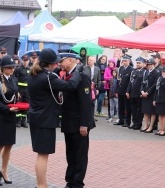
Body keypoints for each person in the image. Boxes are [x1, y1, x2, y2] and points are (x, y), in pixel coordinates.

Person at [27, 49, 82, 188]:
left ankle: (42, 183)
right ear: (51, 63)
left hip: (37, 118)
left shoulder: (34, 75)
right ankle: (41, 185)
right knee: (43, 155)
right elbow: (70, 86)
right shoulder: (48, 78)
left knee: (42, 153)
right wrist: (78, 72)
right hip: (45, 120)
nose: (58, 64)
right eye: (56, 62)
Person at [59, 52, 95, 188]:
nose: (60, 63)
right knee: (70, 154)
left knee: (79, 155)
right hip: (68, 122)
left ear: (70, 60)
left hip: (79, 123)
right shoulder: (67, 76)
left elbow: (85, 103)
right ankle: (70, 180)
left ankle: (77, 182)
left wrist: (84, 124)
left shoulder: (82, 77)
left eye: (62, 61)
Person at [0, 55, 19, 186]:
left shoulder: (14, 79)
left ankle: (4, 171)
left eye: (13, 67)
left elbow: (14, 97)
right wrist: (8, 109)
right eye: (9, 68)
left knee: (9, 145)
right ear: (3, 68)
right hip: (1, 116)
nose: (12, 69)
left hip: (11, 116)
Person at [126, 57, 146, 130]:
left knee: (139, 110)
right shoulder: (133, 71)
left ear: (143, 64)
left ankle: (138, 123)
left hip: (139, 93)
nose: (138, 64)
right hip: (132, 93)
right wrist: (128, 91)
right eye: (137, 63)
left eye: (139, 63)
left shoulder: (144, 72)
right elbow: (130, 82)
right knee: (133, 109)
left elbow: (143, 84)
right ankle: (134, 122)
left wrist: (142, 92)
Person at [140, 58, 159, 132]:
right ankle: (145, 125)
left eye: (151, 64)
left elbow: (155, 84)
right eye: (148, 65)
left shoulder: (156, 72)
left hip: (151, 94)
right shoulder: (146, 72)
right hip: (144, 93)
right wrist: (142, 91)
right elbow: (142, 83)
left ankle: (151, 126)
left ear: (154, 65)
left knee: (152, 111)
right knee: (145, 111)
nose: (149, 66)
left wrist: (147, 92)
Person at [114, 54, 133, 127]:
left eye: (126, 61)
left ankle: (127, 121)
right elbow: (118, 80)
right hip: (120, 90)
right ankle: (121, 119)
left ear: (129, 61)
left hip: (126, 90)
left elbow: (130, 82)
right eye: (123, 61)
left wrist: (128, 91)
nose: (124, 62)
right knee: (120, 106)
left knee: (127, 107)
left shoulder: (131, 69)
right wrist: (116, 90)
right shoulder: (121, 68)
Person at [153, 66, 165, 136]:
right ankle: (160, 129)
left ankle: (164, 130)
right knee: (160, 115)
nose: (163, 73)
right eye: (163, 72)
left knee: (164, 115)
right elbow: (157, 89)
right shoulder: (160, 79)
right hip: (159, 98)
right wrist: (155, 99)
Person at [14, 54, 30, 128]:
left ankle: (24, 121)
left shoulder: (30, 69)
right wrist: (17, 91)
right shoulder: (18, 69)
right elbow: (15, 80)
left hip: (27, 90)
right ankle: (18, 121)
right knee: (19, 104)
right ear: (22, 61)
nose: (25, 62)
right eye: (24, 60)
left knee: (26, 105)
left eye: (27, 60)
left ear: (29, 61)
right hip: (20, 89)